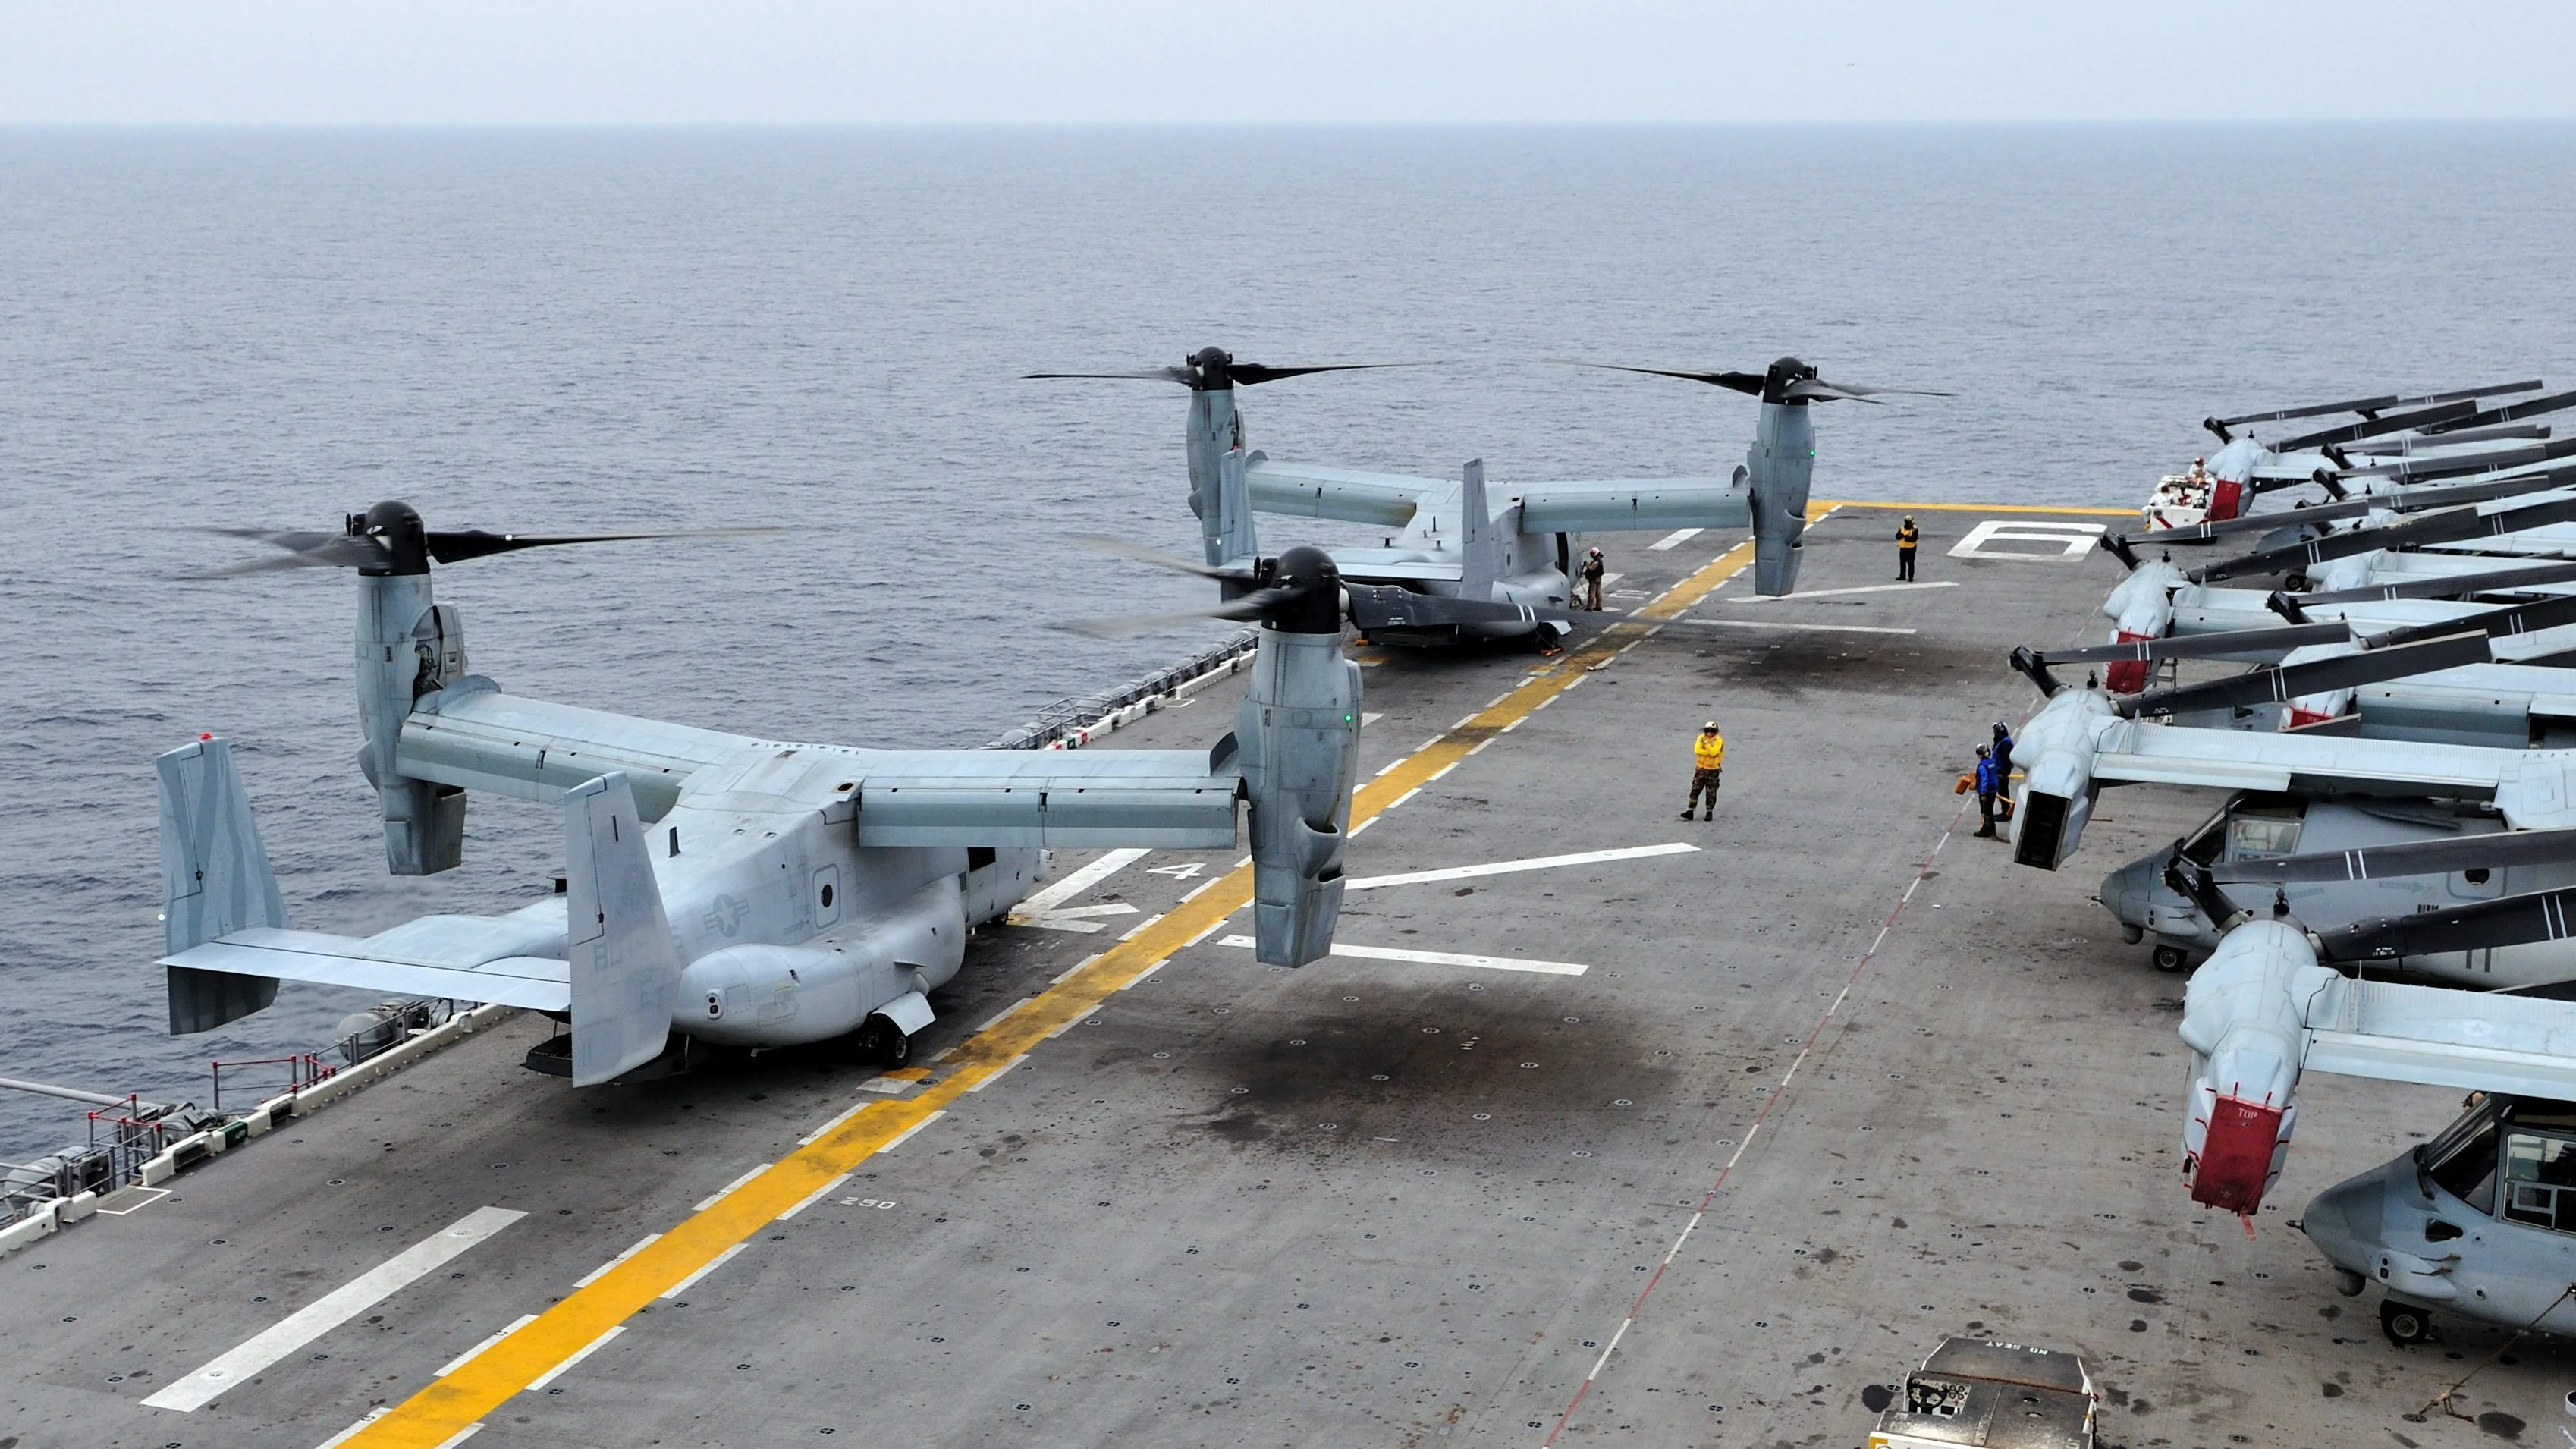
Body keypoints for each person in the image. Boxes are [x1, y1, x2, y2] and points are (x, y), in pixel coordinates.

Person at [1682, 721, 1723, 820]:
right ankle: (1690, 811)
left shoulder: (1718, 740)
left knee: (1711, 792)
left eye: (1712, 731)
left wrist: (1707, 745)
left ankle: (1709, 812)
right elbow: (1697, 750)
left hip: (1713, 770)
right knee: (1695, 790)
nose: (1709, 733)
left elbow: (1714, 753)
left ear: (1716, 731)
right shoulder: (1701, 738)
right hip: (1700, 769)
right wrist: (1709, 750)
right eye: (1708, 730)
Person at [1971, 744, 2003, 838]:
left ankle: (1987, 830)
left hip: (1987, 791)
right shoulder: (1992, 762)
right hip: (1993, 790)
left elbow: (1985, 780)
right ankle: (1991, 829)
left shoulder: (1982, 766)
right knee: (1990, 810)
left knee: (1986, 811)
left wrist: (1983, 793)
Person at [1579, 546, 1606, 610]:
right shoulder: (1599, 560)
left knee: (1592, 593)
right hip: (1598, 579)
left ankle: (1589, 607)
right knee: (1598, 593)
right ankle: (1599, 606)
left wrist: (1587, 565)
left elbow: (1591, 569)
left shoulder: (1596, 562)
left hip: (1594, 579)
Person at [1896, 516, 1920, 581]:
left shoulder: (1914, 529)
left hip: (1911, 548)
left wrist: (1905, 537)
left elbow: (1914, 539)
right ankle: (1902, 576)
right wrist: (1903, 536)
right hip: (1903, 548)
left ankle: (1911, 577)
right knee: (1902, 563)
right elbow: (1897, 536)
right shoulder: (1902, 528)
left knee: (1910, 563)